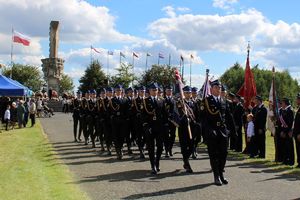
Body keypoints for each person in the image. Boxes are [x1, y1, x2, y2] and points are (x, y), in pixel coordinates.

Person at [204, 80, 236, 186]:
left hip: (222, 131)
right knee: (214, 155)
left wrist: (233, 130)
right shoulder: (206, 101)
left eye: (220, 88)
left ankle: (221, 173)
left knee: (224, 154)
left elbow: (229, 116)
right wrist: (208, 130)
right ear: (212, 88)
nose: (219, 89)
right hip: (212, 131)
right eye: (216, 87)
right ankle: (216, 176)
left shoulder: (224, 101)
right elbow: (202, 119)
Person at [142, 82, 164, 174]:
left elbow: (164, 114)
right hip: (150, 127)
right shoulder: (145, 101)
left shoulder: (161, 100)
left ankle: (157, 162)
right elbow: (143, 115)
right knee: (151, 147)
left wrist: (165, 125)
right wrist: (146, 126)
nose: (155, 91)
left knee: (160, 146)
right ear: (149, 91)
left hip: (159, 127)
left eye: (156, 90)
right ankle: (153, 165)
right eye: (153, 90)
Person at [177, 86, 195, 173]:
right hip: (183, 128)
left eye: (190, 93)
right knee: (184, 147)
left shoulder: (192, 103)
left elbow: (195, 115)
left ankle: (185, 159)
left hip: (191, 128)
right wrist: (184, 118)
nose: (188, 94)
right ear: (183, 93)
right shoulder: (180, 103)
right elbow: (177, 114)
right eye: (187, 93)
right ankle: (187, 164)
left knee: (192, 147)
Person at [279, 98, 294, 166]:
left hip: (288, 132)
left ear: (285, 103)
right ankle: (285, 160)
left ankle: (290, 161)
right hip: (284, 132)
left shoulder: (290, 110)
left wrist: (284, 132)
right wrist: (282, 131)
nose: (281, 104)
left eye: (282, 103)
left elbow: (289, 123)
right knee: (284, 147)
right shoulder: (284, 110)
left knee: (289, 147)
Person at [163, 85, 177, 158]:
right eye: (168, 90)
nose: (169, 92)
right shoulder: (163, 100)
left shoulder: (174, 100)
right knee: (166, 136)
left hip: (173, 121)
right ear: (165, 91)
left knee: (173, 136)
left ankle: (170, 148)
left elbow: (176, 111)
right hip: (165, 121)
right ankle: (166, 150)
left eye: (171, 91)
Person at [294, 93, 300, 168]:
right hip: (296, 132)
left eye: (298, 99)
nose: (296, 100)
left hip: (299, 133)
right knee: (298, 148)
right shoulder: (298, 108)